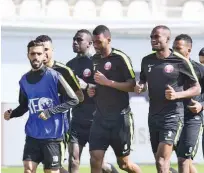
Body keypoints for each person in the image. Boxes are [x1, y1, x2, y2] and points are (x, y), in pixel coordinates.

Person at [3, 40, 79, 173]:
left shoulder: (55, 76)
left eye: (39, 53)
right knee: (28, 169)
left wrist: (50, 112)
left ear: (45, 56)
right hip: (33, 135)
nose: (36, 57)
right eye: (33, 53)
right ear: (28, 55)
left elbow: (74, 100)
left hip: (53, 137)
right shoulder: (24, 80)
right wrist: (12, 114)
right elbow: (24, 105)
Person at [134, 25, 201, 173]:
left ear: (167, 39)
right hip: (153, 116)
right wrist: (140, 86)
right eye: (151, 37)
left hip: (173, 116)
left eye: (157, 36)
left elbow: (197, 88)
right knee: (160, 161)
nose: (153, 39)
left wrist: (177, 95)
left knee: (162, 160)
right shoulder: (146, 60)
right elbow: (143, 82)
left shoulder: (181, 61)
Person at [87, 25, 142, 173]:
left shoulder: (120, 58)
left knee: (124, 164)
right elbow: (95, 84)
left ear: (108, 39)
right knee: (95, 159)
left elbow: (132, 86)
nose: (96, 45)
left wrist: (108, 82)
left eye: (98, 41)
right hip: (100, 118)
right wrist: (92, 90)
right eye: (94, 42)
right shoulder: (94, 60)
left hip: (120, 118)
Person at [66, 29, 119, 173]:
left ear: (89, 43)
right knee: (73, 158)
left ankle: (111, 170)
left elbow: (107, 88)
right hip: (77, 119)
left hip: (96, 120)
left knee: (98, 164)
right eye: (74, 39)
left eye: (79, 40)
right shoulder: (69, 65)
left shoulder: (97, 62)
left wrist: (87, 85)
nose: (75, 42)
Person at [35, 35, 84, 173]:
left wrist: (58, 104)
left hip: (60, 126)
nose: (43, 53)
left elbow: (79, 97)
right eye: (40, 50)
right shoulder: (34, 73)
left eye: (46, 49)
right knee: (48, 166)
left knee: (53, 167)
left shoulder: (64, 71)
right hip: (40, 126)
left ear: (52, 50)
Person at [173, 34, 204, 173]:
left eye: (178, 49)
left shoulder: (199, 69)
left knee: (183, 160)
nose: (174, 52)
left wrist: (201, 105)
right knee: (175, 159)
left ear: (188, 50)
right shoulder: (168, 68)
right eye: (173, 48)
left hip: (192, 118)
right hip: (172, 118)